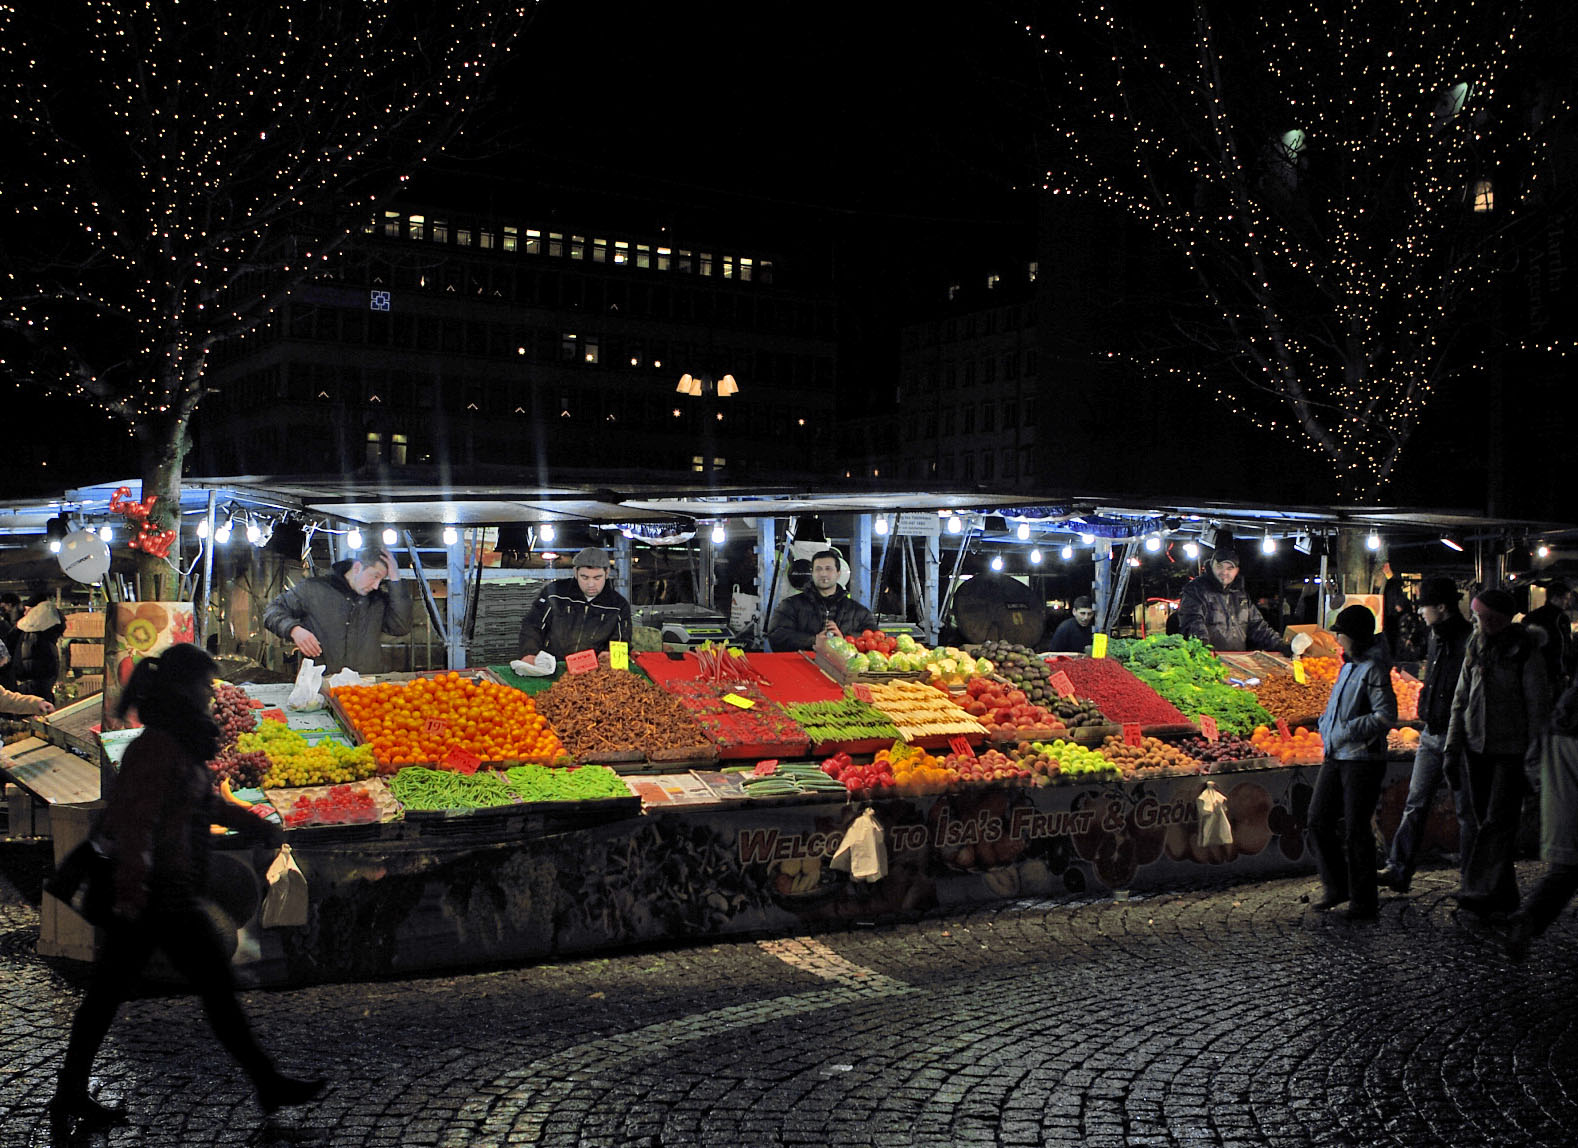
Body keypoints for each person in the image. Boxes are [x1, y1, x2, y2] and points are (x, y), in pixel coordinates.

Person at [49, 644, 323, 1128]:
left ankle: (265, 1083)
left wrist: (254, 824)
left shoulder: (176, 741)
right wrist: (133, 895)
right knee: (206, 990)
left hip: (158, 890)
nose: (209, 694)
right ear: (183, 689)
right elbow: (135, 824)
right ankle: (267, 1082)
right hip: (152, 894)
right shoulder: (157, 746)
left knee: (118, 995)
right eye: (204, 685)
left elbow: (195, 803)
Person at [1445, 588, 1551, 918]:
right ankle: (1503, 897)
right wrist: (1453, 746)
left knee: (1497, 822)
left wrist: (1535, 754)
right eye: (1479, 618)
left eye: (1489, 618)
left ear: (1503, 619)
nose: (1483, 624)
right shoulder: (1475, 648)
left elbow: (1537, 706)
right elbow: (1460, 699)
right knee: (1485, 822)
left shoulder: (1525, 651)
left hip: (1511, 750)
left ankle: (1477, 888)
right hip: (1477, 749)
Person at [1378, 577, 1475, 893]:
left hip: (1458, 736)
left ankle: (1472, 878)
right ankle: (1398, 868)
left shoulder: (1469, 641)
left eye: (1424, 606)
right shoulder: (1436, 638)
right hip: (1431, 733)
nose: (1420, 612)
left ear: (1442, 608)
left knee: (1465, 810)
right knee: (1415, 802)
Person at [1307, 604, 1398, 921]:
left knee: (1357, 830)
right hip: (1337, 755)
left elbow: (1386, 716)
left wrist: (1346, 730)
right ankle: (1337, 887)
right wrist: (1325, 724)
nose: (1336, 641)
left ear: (1353, 636)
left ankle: (1364, 901)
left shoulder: (1373, 669)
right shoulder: (1348, 667)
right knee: (1318, 820)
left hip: (1362, 759)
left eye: (1340, 634)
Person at [1501, 680, 1578, 961]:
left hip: (1561, 805)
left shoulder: (1562, 709)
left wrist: (1546, 791)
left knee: (1564, 872)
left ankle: (1529, 917)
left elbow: (1533, 761)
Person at [262, 544, 412, 675]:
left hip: (365, 690)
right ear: (357, 567)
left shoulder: (377, 601)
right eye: (375, 576)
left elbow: (400, 626)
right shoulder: (314, 589)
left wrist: (395, 580)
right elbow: (272, 611)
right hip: (323, 687)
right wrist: (294, 630)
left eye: (381, 580)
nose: (376, 585)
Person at [517, 546, 633, 662]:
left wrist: (611, 655)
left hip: (594, 671)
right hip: (552, 665)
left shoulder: (618, 605)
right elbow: (532, 625)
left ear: (607, 573)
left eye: (597, 578)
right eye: (585, 577)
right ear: (575, 572)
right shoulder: (554, 593)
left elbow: (622, 640)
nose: (591, 584)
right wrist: (529, 652)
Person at [1176, 544, 1293, 653]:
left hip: (1237, 661)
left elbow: (1259, 627)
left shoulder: (1240, 594)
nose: (1224, 572)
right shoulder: (1195, 590)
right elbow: (1192, 622)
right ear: (1211, 565)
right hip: (1208, 660)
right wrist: (1204, 649)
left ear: (1236, 571)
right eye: (1219, 566)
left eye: (1229, 568)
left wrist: (1282, 645)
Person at [766, 549, 878, 652]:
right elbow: (776, 636)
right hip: (801, 669)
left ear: (838, 573)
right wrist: (813, 640)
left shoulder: (858, 611)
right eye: (818, 569)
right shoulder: (790, 605)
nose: (823, 573)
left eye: (828, 569)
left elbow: (875, 639)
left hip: (842, 671)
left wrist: (844, 639)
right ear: (812, 573)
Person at [1523, 580, 1573, 691]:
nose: (1568, 603)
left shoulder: (1561, 618)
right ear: (1555, 598)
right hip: (1546, 674)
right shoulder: (1558, 618)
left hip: (1552, 674)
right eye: (1565, 598)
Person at [10, 599, 66, 701]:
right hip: (38, 689)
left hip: (31, 691)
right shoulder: (46, 633)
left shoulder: (33, 634)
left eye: (28, 610)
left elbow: (31, 666)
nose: (25, 613)